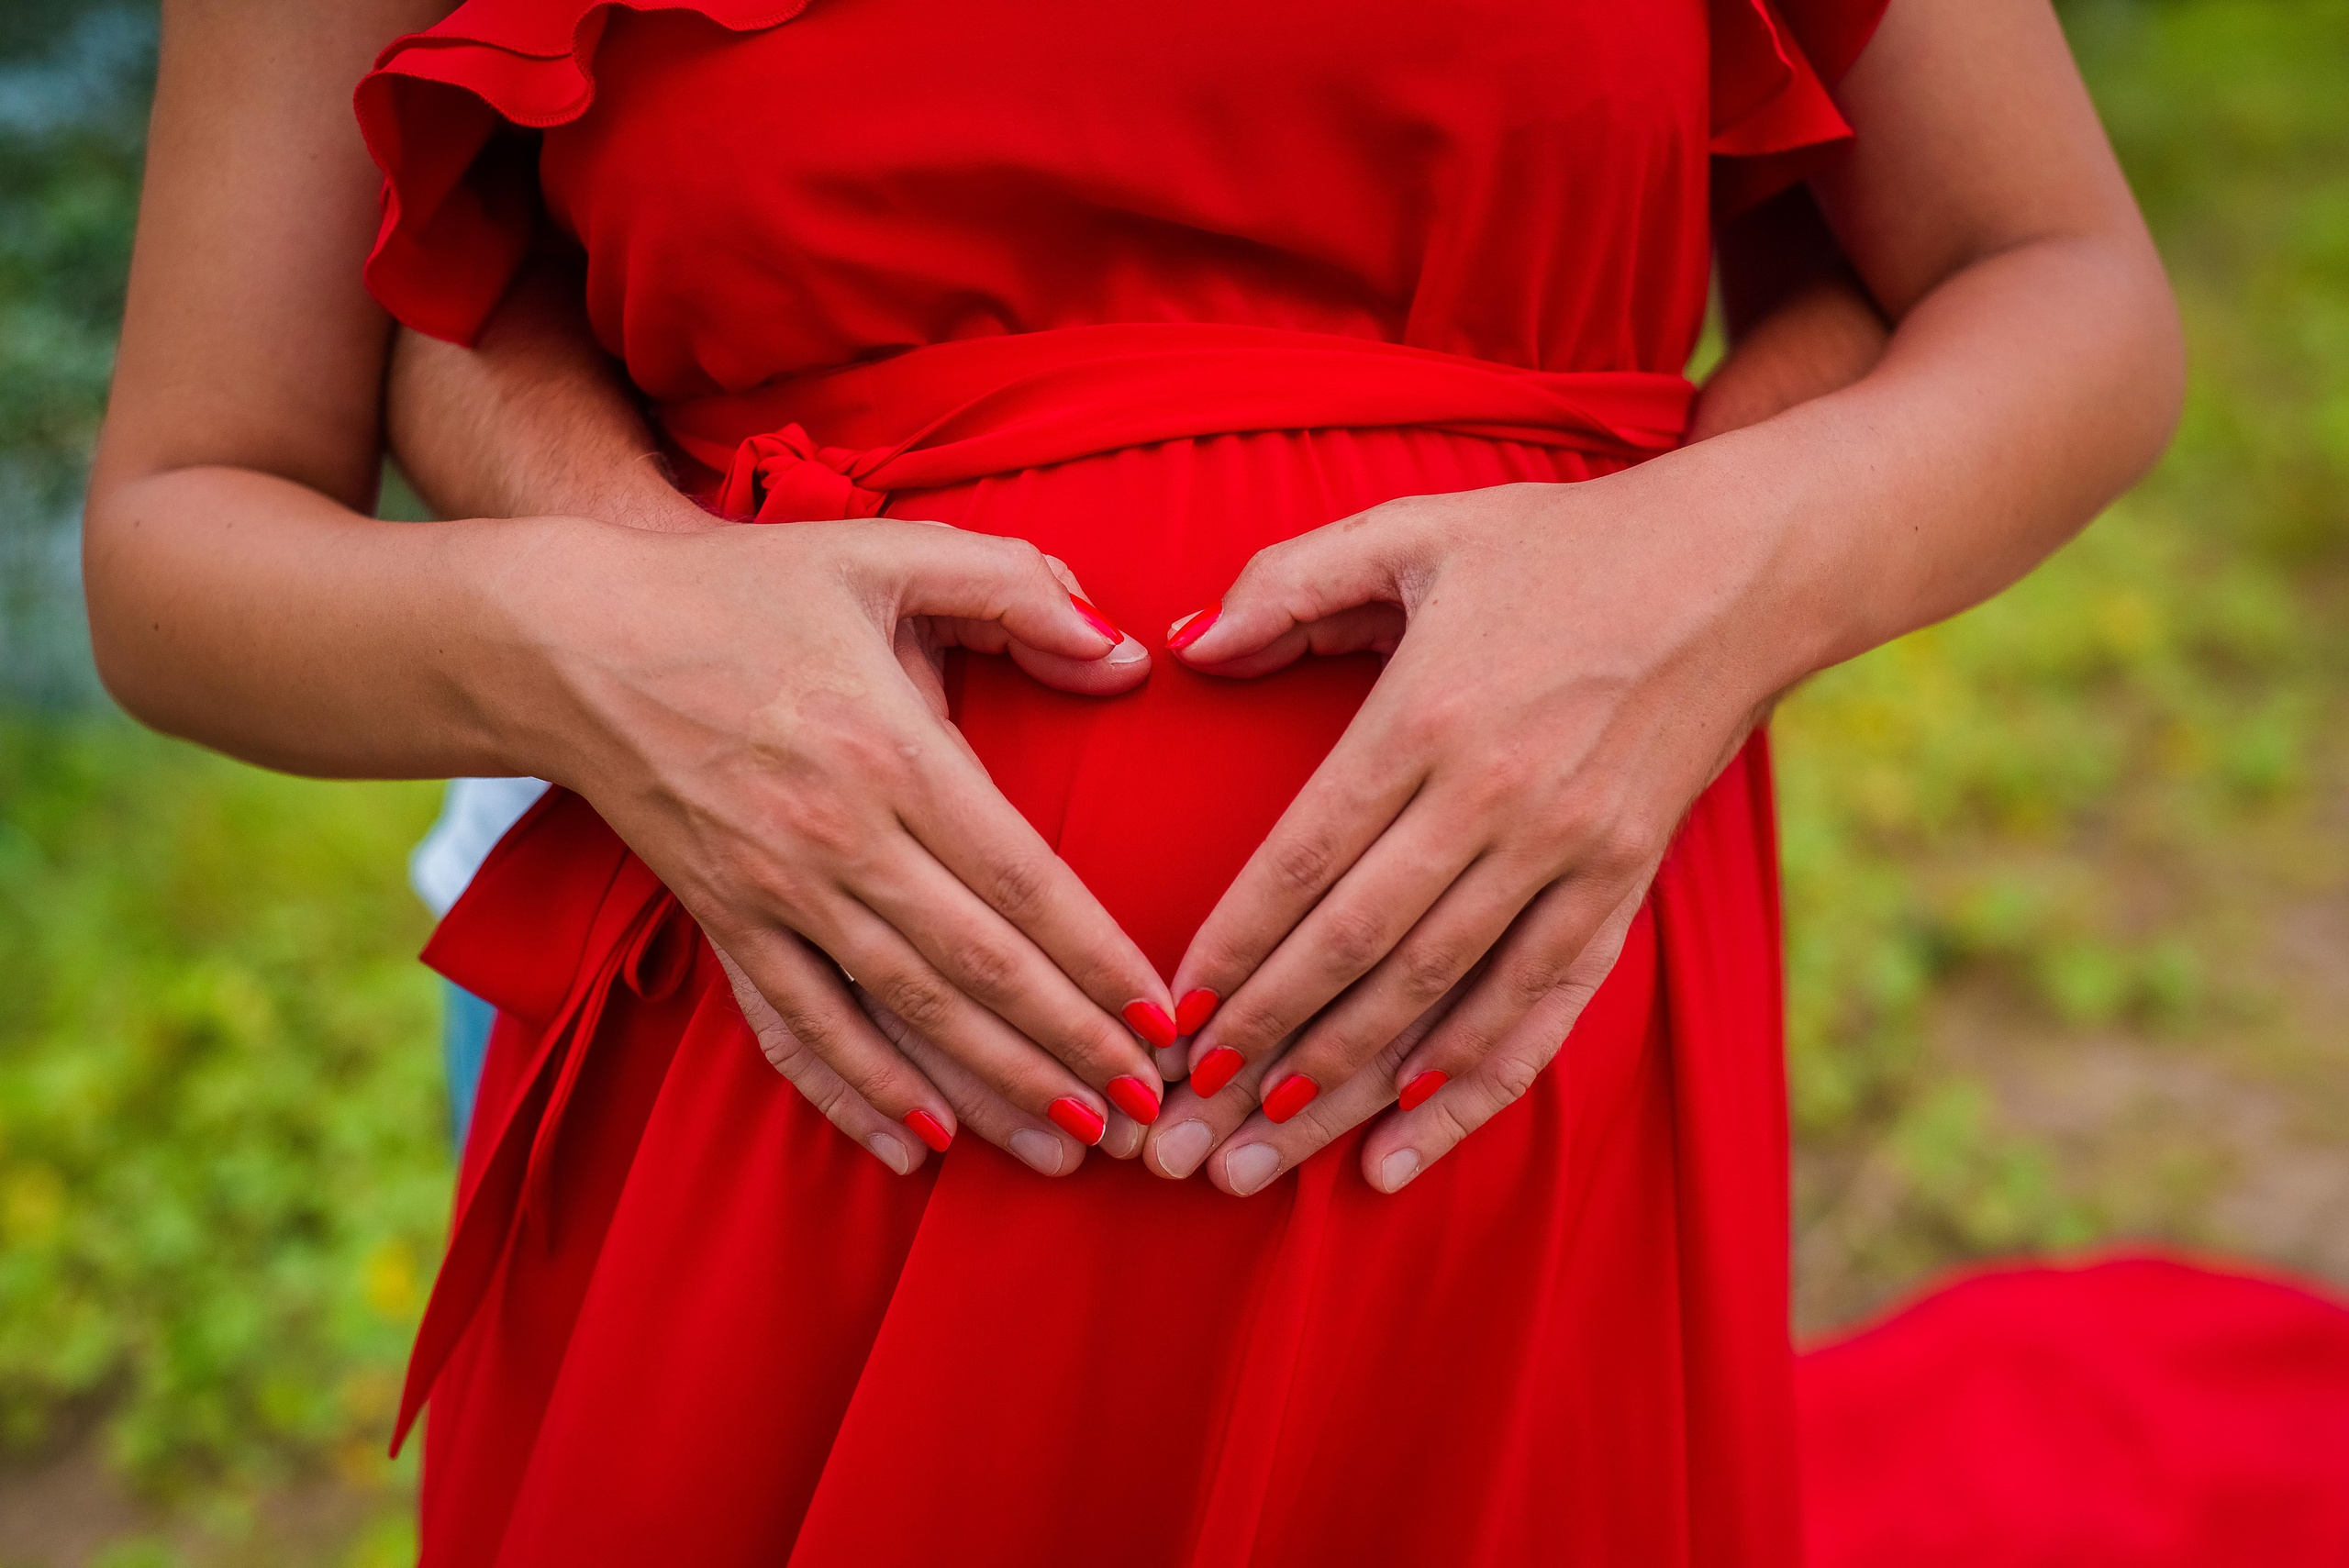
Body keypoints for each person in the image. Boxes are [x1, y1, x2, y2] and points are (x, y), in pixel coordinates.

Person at [82, 1, 2180, 1564]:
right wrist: (603, 643)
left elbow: (2049, 281)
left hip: (1498, 1097)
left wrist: (1694, 574)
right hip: (806, 1096)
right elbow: (187, 531)